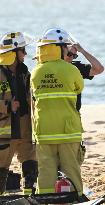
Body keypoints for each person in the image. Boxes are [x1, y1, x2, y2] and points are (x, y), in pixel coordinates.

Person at [31, 27, 84, 195]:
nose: (67, 50)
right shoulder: (71, 69)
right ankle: (75, 199)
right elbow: (79, 87)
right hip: (67, 130)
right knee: (71, 168)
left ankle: (45, 199)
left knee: (46, 169)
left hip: (44, 130)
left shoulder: (36, 72)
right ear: (59, 48)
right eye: (65, 47)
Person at [0, 31, 38, 195]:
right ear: (13, 52)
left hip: (25, 128)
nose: (25, 53)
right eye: (23, 50)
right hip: (4, 130)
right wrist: (7, 106)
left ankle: (29, 196)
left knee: (31, 164)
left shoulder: (26, 73)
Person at [64, 41, 104, 111]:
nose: (71, 58)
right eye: (69, 54)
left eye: (74, 56)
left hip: (73, 112)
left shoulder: (76, 68)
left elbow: (99, 69)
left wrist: (82, 51)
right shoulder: (50, 68)